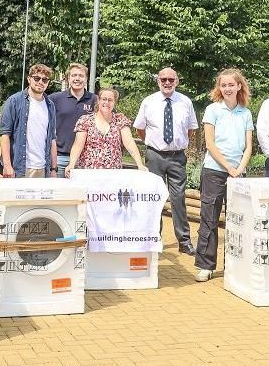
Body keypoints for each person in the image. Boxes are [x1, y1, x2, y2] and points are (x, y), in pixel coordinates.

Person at [194, 69, 253, 282]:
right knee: (209, 219)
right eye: (223, 85)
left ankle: (235, 265)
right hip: (214, 171)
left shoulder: (246, 113)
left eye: (231, 84)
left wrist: (240, 169)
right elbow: (210, 144)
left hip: (238, 174)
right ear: (219, 88)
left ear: (239, 86)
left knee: (238, 219)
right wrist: (229, 168)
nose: (227, 88)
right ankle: (205, 265)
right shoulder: (212, 110)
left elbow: (248, 147)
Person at [134, 67, 199, 255]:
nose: (167, 83)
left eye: (171, 79)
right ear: (158, 81)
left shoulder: (185, 102)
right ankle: (155, 237)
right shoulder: (149, 102)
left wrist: (176, 144)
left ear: (177, 81)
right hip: (155, 155)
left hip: (177, 156)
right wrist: (154, 143)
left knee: (178, 198)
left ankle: (184, 241)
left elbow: (190, 130)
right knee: (155, 198)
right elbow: (140, 128)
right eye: (164, 79)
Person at [65, 87, 146, 174]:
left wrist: (140, 164)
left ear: (114, 102)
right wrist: (71, 164)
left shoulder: (120, 120)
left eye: (110, 100)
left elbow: (129, 143)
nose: (107, 102)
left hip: (113, 174)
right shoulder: (85, 120)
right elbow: (78, 145)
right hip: (89, 172)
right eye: (104, 99)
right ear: (98, 100)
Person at [0, 64, 58, 178]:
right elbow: (5, 134)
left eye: (45, 80)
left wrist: (53, 169)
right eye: (37, 78)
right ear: (29, 79)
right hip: (20, 168)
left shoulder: (50, 105)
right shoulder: (14, 101)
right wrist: (7, 165)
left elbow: (52, 138)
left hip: (43, 168)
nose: (40, 82)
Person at [49, 63, 97, 176]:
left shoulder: (95, 100)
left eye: (81, 76)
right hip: (60, 158)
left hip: (86, 159)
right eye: (74, 75)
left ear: (86, 79)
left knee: (82, 193)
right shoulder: (54, 99)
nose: (77, 78)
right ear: (68, 79)